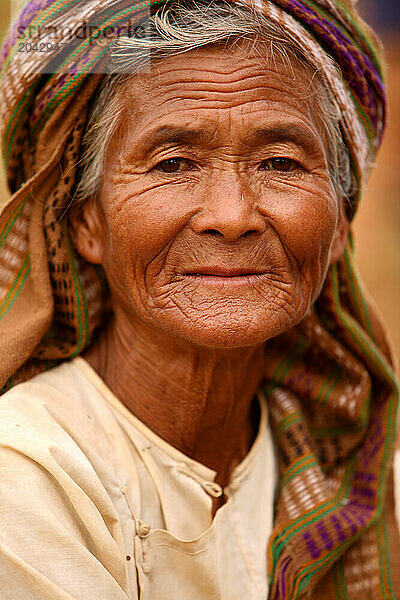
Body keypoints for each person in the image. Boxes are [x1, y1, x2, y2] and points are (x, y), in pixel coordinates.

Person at [0, 0, 399, 598]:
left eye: (280, 162)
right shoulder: (29, 473)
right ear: (85, 222)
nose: (232, 216)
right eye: (175, 163)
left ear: (341, 223)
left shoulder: (365, 474)